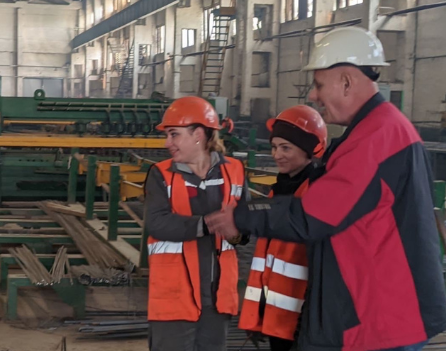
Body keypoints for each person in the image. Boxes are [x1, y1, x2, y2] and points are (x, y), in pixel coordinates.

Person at [209, 26, 446, 351]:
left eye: (319, 85)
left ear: (346, 82)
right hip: (377, 309)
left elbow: (313, 215)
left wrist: (241, 215)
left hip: (380, 317)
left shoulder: (376, 137)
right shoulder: (381, 129)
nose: (313, 96)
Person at [145, 96, 249, 351]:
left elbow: (246, 229)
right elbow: (156, 223)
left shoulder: (234, 171)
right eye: (167, 135)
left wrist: (236, 233)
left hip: (218, 297)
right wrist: (206, 224)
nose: (167, 143)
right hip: (175, 297)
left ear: (198, 135)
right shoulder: (161, 174)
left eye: (174, 134)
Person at [238, 105, 327, 351]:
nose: (277, 155)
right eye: (274, 147)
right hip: (278, 318)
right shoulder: (278, 191)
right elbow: (268, 260)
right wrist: (259, 312)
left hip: (305, 322)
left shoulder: (317, 194)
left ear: (311, 150)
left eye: (286, 148)